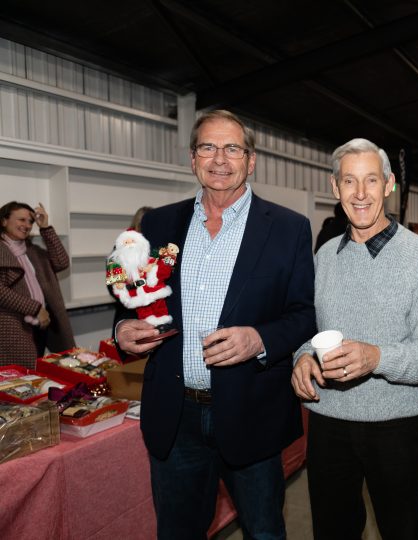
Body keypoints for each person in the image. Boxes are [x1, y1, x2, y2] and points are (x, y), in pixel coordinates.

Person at [115, 110, 316, 539]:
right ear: (192, 159)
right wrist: (122, 331)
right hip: (175, 415)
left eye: (232, 148)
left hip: (251, 413)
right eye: (208, 147)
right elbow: (134, 297)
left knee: (264, 531)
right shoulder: (159, 223)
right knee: (177, 532)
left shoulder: (288, 228)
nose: (220, 159)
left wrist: (260, 338)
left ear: (251, 159)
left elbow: (304, 313)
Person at [291, 138, 418, 540]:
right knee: (332, 531)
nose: (360, 194)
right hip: (327, 426)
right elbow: (309, 332)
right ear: (334, 188)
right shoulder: (324, 257)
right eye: (350, 182)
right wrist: (302, 358)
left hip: (396, 429)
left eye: (371, 181)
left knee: (400, 530)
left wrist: (376, 357)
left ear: (389, 185)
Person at [1, 201, 75, 368]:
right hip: (12, 327)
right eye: (21, 220)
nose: (26, 225)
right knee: (19, 378)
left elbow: (62, 262)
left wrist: (46, 228)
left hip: (42, 324)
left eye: (30, 221)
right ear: (4, 221)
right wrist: (35, 309)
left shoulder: (32, 251)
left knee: (38, 373)